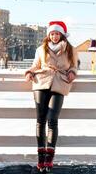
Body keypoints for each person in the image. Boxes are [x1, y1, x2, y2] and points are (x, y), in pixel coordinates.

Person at [24, 21, 78, 172]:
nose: (54, 36)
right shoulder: (41, 49)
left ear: (62, 35)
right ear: (48, 35)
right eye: (52, 34)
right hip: (41, 82)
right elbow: (36, 65)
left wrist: (72, 72)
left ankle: (49, 158)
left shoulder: (70, 49)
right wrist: (30, 71)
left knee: (52, 120)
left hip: (60, 83)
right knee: (40, 120)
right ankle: (41, 157)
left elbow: (74, 65)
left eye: (57, 34)